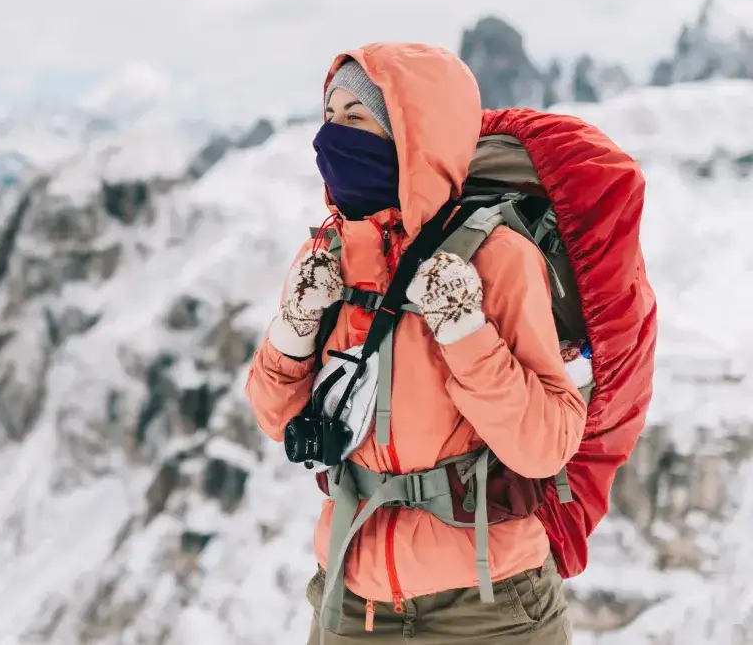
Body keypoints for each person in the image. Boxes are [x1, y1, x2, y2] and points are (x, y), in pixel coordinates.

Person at [246, 45, 588, 643]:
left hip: (491, 606)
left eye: (358, 116)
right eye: (330, 114)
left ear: (412, 134)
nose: (334, 134)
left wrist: (464, 332)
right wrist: (295, 329)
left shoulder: (497, 258)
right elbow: (276, 419)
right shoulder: (325, 256)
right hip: (353, 604)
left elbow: (546, 444)